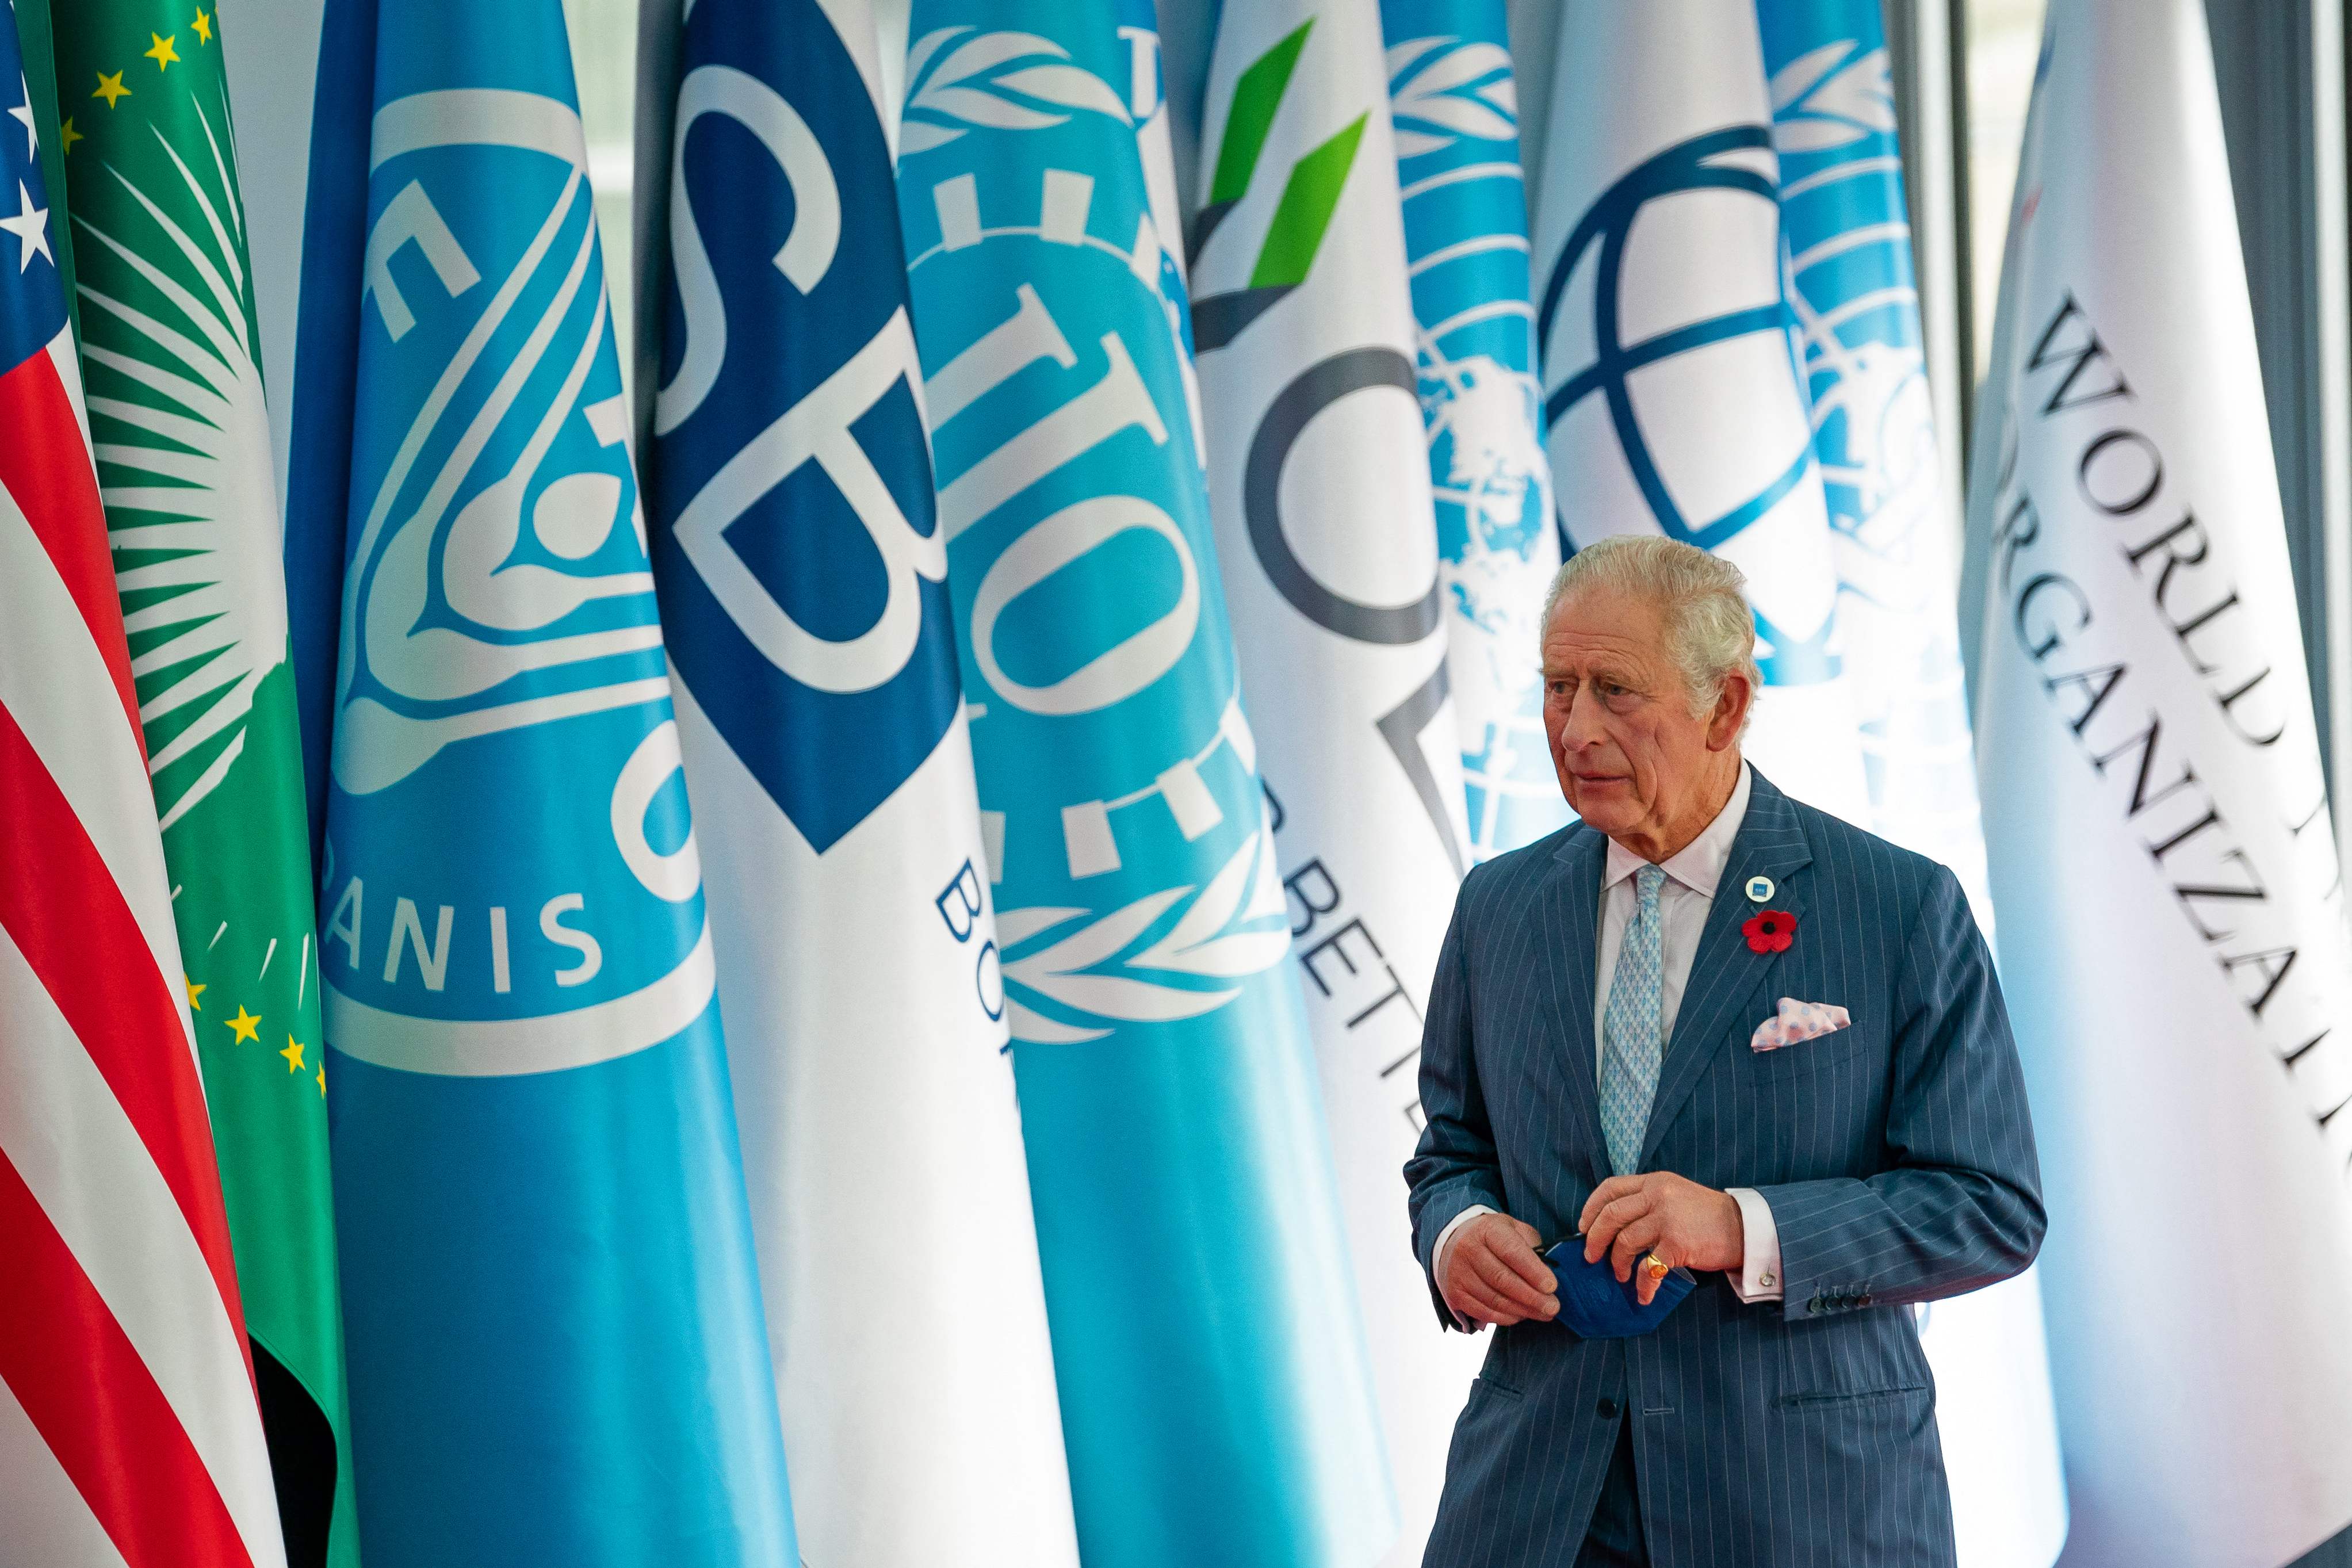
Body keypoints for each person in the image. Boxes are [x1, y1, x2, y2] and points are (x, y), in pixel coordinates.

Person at [1404, 535, 2043, 1567]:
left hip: (1799, 1504)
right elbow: (1450, 1150)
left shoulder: (1894, 906)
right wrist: (1458, 1231)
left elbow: (1987, 1205)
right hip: (1535, 1506)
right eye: (1557, 687)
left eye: (1615, 690)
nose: (1575, 728)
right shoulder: (1497, 905)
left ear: (1727, 707)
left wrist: (1736, 1226)